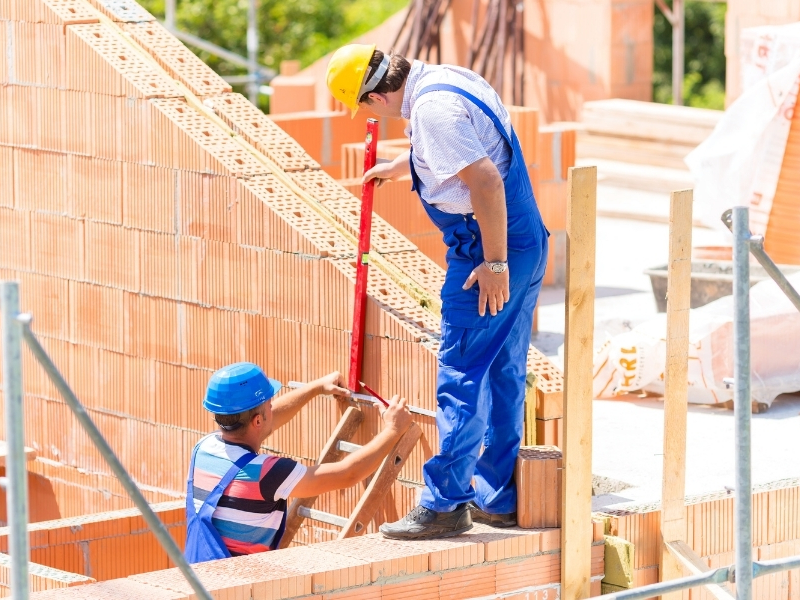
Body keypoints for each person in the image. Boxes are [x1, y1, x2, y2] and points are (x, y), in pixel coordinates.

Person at [325, 45, 549, 540]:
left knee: (463, 373)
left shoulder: (430, 110)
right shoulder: (444, 79)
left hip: (487, 250)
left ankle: (446, 503)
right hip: (527, 241)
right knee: (504, 369)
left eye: (363, 107)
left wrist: (493, 264)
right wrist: (407, 166)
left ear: (377, 96)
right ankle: (498, 497)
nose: (368, 116)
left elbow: (486, 183)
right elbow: (475, 151)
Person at [184, 362, 413, 562]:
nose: (273, 408)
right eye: (269, 405)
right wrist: (393, 429)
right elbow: (347, 474)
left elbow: (265, 423)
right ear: (256, 421)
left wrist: (315, 388)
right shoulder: (268, 473)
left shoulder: (203, 449)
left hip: (198, 578)